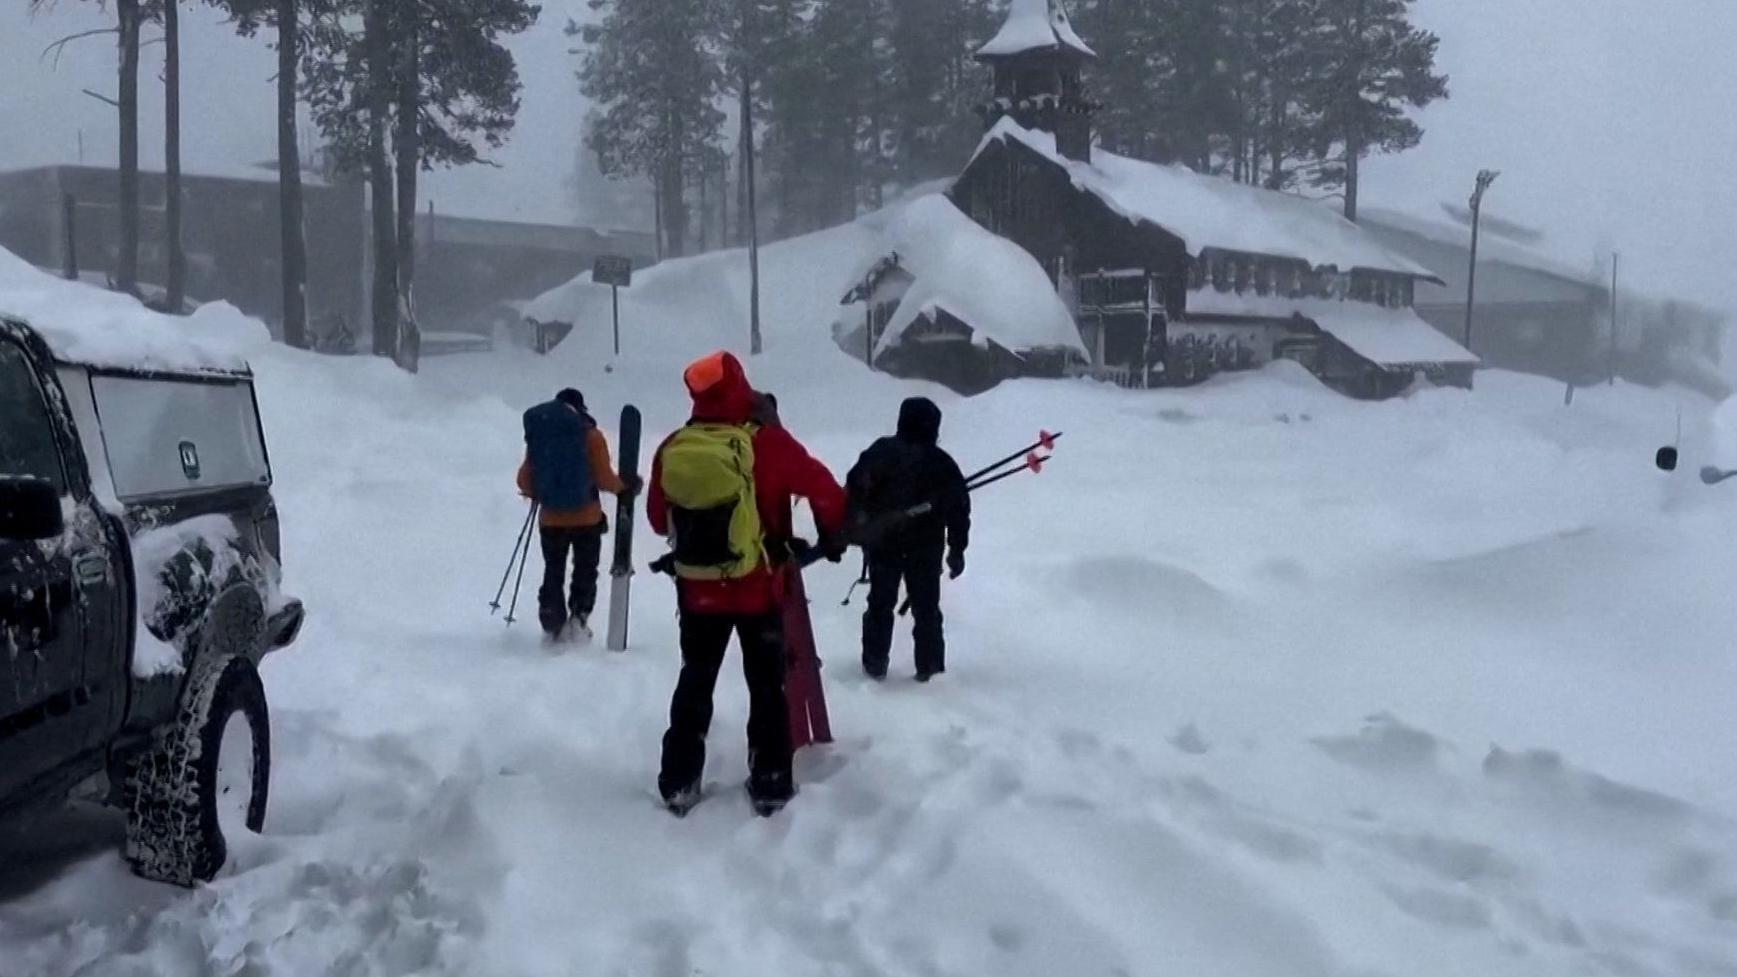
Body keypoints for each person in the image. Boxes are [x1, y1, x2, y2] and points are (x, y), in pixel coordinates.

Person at [647, 353, 847, 815]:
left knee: (695, 679)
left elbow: (660, 521)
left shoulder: (675, 445)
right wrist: (832, 529)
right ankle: (771, 781)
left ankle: (679, 779)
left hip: (697, 592)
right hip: (759, 588)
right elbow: (825, 491)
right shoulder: (770, 444)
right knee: (766, 685)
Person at [847, 397, 970, 683]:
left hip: (883, 545)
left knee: (880, 605)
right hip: (925, 549)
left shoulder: (880, 452)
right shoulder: (941, 463)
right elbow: (958, 509)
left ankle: (874, 665)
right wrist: (957, 549)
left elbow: (854, 489)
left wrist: (859, 526)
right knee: (926, 610)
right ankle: (930, 670)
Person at [517, 388, 638, 640]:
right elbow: (605, 479)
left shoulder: (542, 436)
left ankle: (552, 617)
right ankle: (579, 617)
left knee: (554, 568)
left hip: (550, 519)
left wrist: (539, 492)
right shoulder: (590, 436)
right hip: (587, 519)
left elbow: (524, 479)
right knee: (585, 569)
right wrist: (626, 487)